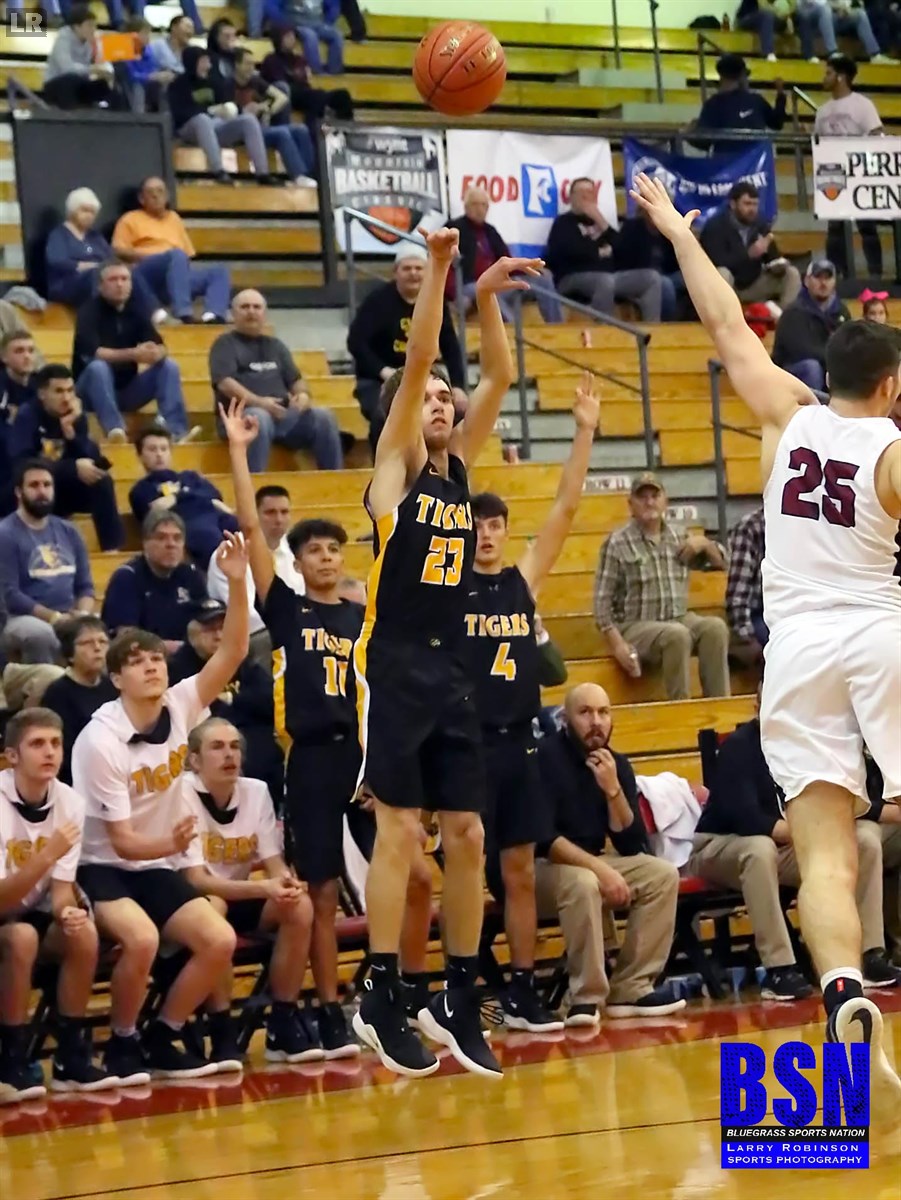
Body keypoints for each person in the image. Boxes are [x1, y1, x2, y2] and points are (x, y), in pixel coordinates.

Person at [630, 169, 901, 1114]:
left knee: (825, 851)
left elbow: (720, 322)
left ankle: (841, 988)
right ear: (892, 386)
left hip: (795, 650)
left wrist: (677, 230)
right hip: (875, 630)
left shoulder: (788, 415)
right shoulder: (892, 451)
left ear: (827, 374)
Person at [350, 228, 540, 1079]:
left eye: (441, 398)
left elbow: (495, 375)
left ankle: (458, 994)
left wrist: (488, 298)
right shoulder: (393, 469)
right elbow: (423, 350)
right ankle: (380, 990)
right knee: (400, 830)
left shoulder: (458, 470)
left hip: (452, 666)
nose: (438, 401)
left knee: (466, 833)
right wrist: (439, 269)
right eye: (424, 395)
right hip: (391, 663)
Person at [223, 403, 391, 1056]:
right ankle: (325, 1009)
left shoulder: (362, 619)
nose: (325, 556)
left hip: (363, 759)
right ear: (297, 560)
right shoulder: (288, 610)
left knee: (403, 879)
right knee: (320, 892)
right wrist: (240, 452)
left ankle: (393, 998)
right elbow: (249, 528)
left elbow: (381, 699)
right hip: (313, 760)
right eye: (314, 549)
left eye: (333, 549)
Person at [71, 533, 250, 1081]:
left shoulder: (181, 701)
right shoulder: (100, 740)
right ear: (116, 679)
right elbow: (122, 842)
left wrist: (237, 582)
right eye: (137, 663)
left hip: (155, 862)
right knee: (143, 938)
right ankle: (122, 1042)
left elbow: (233, 651)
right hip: (101, 866)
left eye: (156, 659)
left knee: (219, 940)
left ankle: (163, 1033)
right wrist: (172, 845)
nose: (152, 667)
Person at [467, 375, 599, 1033]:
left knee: (520, 870)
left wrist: (583, 432)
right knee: (467, 871)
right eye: (477, 526)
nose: (487, 535)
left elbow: (566, 509)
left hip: (518, 742)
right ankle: (457, 989)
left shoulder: (521, 583)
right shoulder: (444, 591)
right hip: (466, 746)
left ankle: (521, 989)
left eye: (495, 526)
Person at [690, 708, 900, 999]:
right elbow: (749, 820)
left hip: (787, 845)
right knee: (759, 850)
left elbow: (847, 803)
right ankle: (779, 968)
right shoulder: (740, 747)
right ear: (759, 704)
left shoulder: (810, 745)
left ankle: (870, 956)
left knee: (863, 840)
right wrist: (817, 830)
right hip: (721, 845)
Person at [536, 684, 686, 1027]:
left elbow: (632, 844)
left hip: (590, 863)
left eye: (603, 712)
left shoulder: (615, 764)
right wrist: (602, 872)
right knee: (584, 881)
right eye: (585, 713)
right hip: (540, 868)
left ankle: (631, 986)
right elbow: (544, 840)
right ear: (566, 719)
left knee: (662, 875)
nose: (596, 722)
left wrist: (613, 790)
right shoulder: (544, 758)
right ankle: (586, 996)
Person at [177, 717, 319, 1064]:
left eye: (234, 747)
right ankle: (222, 1030)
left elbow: (273, 862)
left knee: (299, 906)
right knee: (214, 908)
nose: (229, 755)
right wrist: (263, 888)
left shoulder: (255, 791)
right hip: (191, 905)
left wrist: (285, 882)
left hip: (239, 897)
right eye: (217, 747)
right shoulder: (180, 793)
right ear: (194, 760)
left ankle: (282, 1024)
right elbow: (196, 880)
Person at [0, 708, 118, 1099]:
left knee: (83, 932)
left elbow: (62, 889)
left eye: (55, 743)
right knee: (20, 938)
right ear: (12, 756)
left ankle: (70, 1056)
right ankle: (12, 1058)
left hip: (33, 911)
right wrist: (47, 854)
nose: (50, 752)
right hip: (4, 912)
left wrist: (66, 912)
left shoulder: (70, 802)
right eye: (37, 744)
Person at [593, 472, 730, 701]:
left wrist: (705, 544)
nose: (649, 502)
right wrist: (618, 646)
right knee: (677, 635)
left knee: (715, 628)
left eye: (655, 496)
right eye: (642, 497)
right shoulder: (616, 543)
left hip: (678, 617)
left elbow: (722, 564)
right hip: (635, 625)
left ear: (665, 501)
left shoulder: (680, 536)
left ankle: (720, 709)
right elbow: (601, 606)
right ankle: (680, 710)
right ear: (630, 504)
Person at [347, 242, 468, 453]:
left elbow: (451, 346)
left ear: (427, 272)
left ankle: (448, 468)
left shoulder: (435, 301)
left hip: (423, 377)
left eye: (419, 268)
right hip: (379, 379)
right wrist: (384, 371)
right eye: (407, 269)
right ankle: (384, 466)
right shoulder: (377, 301)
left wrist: (458, 385)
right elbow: (356, 342)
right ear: (396, 272)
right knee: (383, 414)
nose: (413, 273)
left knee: (456, 411)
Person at [167, 601, 284, 809]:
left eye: (223, 628)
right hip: (203, 742)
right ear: (193, 635)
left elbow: (270, 699)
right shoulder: (179, 668)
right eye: (210, 630)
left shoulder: (242, 662)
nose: (219, 635)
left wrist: (230, 700)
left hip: (252, 740)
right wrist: (242, 705)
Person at [210, 289, 342, 471]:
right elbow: (225, 383)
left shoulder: (276, 346)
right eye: (245, 307)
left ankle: (334, 480)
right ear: (233, 314)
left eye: (257, 307)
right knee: (258, 417)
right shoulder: (224, 344)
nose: (251, 312)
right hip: (240, 418)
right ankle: (253, 483)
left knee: (324, 417)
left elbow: (295, 380)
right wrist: (260, 403)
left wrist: (303, 395)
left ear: (264, 314)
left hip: (281, 415)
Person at [73, 261, 200, 445]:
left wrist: (156, 353)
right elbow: (95, 353)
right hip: (89, 393)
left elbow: (160, 345)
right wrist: (135, 354)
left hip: (126, 391)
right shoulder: (88, 311)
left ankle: (175, 430)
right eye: (113, 279)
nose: (120, 284)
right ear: (100, 286)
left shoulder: (136, 309)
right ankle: (115, 430)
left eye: (124, 279)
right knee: (98, 368)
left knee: (169, 366)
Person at [9, 365, 125, 552]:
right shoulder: (27, 415)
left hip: (65, 489)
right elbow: (22, 465)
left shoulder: (75, 415)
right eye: (59, 391)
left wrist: (72, 433)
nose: (66, 398)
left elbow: (90, 458)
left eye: (70, 391)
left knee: (102, 481)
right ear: (42, 394)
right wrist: (73, 467)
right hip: (34, 490)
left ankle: (112, 551)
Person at [0, 461, 95, 665]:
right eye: (34, 485)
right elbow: (10, 595)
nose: (42, 491)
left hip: (69, 615)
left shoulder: (70, 531)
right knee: (41, 635)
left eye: (47, 485)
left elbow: (85, 586)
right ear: (19, 492)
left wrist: (83, 614)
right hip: (20, 618)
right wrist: (55, 618)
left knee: (99, 633)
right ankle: (47, 685)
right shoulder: (5, 534)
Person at [206, 483, 305, 668]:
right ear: (254, 515)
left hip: (293, 633)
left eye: (284, 512)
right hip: (247, 638)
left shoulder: (296, 553)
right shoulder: (228, 554)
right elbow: (242, 613)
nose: (278, 519)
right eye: (270, 512)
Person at [112, 177, 231, 325]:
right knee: (175, 255)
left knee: (219, 272)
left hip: (175, 278)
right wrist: (152, 256)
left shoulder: (174, 218)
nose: (156, 195)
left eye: (160, 191)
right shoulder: (130, 219)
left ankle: (213, 316)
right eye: (150, 192)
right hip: (147, 276)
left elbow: (187, 256)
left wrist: (178, 271)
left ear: (167, 196)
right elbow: (118, 251)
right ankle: (183, 312)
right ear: (141, 199)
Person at [546, 178, 662, 322]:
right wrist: (599, 252)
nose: (586, 196)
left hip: (609, 277)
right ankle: (604, 330)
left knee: (652, 278)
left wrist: (601, 222)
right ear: (571, 197)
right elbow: (567, 253)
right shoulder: (563, 223)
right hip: (572, 277)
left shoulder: (601, 223)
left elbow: (622, 251)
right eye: (581, 192)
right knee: (605, 281)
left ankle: (653, 330)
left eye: (590, 192)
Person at [448, 187, 562, 325]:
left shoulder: (490, 231)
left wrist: (529, 269)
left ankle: (557, 326)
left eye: (484, 205)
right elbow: (445, 266)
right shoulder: (454, 229)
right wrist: (453, 294)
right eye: (475, 204)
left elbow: (507, 260)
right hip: (470, 286)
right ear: (466, 207)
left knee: (542, 280)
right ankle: (512, 331)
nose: (480, 209)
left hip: (498, 282)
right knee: (489, 292)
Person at [814, 55, 884, 277]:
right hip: (833, 173)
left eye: (829, 73)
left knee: (867, 226)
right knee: (835, 228)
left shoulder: (862, 104)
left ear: (841, 77)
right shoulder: (822, 111)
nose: (825, 77)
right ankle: (838, 274)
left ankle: (876, 274)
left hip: (859, 172)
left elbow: (876, 134)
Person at [129, 426, 239, 564]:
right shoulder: (141, 489)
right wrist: (194, 495)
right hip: (190, 530)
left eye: (164, 449)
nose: (159, 454)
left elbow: (215, 495)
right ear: (140, 455)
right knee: (205, 535)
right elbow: (154, 511)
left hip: (219, 520)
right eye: (152, 449)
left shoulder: (190, 476)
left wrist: (175, 497)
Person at [44, 189, 161, 318]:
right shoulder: (59, 235)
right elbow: (56, 261)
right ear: (72, 211)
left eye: (92, 212)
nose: (89, 215)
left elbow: (111, 258)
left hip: (100, 275)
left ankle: (155, 312)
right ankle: (100, 317)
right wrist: (85, 265)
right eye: (84, 210)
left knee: (126, 272)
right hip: (67, 283)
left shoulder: (95, 237)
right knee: (98, 273)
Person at [101, 510, 208, 650]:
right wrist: (180, 649)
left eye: (177, 538)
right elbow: (126, 639)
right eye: (161, 538)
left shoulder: (191, 574)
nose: (171, 544)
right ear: (145, 543)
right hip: (142, 658)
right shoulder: (127, 577)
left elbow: (207, 624)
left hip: (187, 655)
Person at [167, 47, 273, 187]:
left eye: (209, 62)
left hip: (216, 126)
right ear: (193, 63)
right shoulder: (178, 84)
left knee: (248, 120)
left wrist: (234, 109)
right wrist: (211, 110)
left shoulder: (214, 82)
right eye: (204, 62)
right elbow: (180, 114)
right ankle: (218, 171)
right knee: (203, 119)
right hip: (190, 128)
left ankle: (263, 173)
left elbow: (227, 103)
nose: (209, 66)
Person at [700, 183, 801, 314]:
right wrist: (748, 255)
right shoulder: (715, 227)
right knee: (722, 273)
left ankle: (783, 317)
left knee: (791, 273)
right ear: (733, 204)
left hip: (753, 283)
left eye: (755, 204)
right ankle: (725, 318)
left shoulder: (759, 223)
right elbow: (715, 263)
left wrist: (777, 264)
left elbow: (771, 258)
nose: (752, 209)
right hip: (728, 286)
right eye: (747, 204)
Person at [41, 616, 116, 785]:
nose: (97, 648)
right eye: (87, 643)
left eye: (103, 641)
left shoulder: (113, 685)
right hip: (77, 779)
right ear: (70, 655)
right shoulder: (58, 693)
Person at [229, 48, 318, 188]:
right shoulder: (227, 84)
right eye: (247, 64)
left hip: (261, 128)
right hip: (243, 133)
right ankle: (298, 176)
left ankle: (312, 175)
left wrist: (267, 109)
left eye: (252, 64)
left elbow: (282, 98)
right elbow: (227, 113)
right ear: (236, 65)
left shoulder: (255, 81)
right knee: (281, 133)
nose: (251, 68)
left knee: (301, 129)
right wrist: (246, 111)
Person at [772, 260, 851, 391]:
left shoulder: (842, 312)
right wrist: (834, 358)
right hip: (790, 374)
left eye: (828, 278)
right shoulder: (794, 312)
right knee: (811, 367)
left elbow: (848, 345)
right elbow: (801, 351)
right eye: (818, 277)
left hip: (827, 368)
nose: (823, 283)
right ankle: (814, 405)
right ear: (807, 281)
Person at [259, 25, 354, 123]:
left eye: (293, 36)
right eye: (288, 36)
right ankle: (312, 127)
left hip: (306, 93)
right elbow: (280, 85)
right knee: (316, 96)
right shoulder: (271, 60)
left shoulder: (299, 59)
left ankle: (347, 128)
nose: (292, 39)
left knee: (343, 95)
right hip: (287, 97)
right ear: (278, 39)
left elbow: (305, 81)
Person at [693, 55, 786, 150]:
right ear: (742, 76)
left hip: (726, 158)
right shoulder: (755, 100)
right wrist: (780, 94)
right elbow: (777, 123)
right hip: (756, 159)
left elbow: (703, 143)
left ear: (721, 77)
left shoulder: (713, 104)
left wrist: (690, 131)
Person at [42, 7, 119, 110]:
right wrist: (92, 69)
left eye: (94, 25)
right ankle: (70, 115)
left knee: (104, 84)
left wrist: (105, 71)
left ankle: (108, 114)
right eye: (89, 25)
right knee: (70, 80)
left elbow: (101, 62)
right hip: (56, 83)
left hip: (81, 81)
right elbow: (67, 68)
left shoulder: (91, 40)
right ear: (76, 27)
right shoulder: (63, 39)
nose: (93, 29)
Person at [725, 505, 767, 666]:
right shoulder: (750, 527)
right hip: (760, 613)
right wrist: (747, 637)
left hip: (799, 613)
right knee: (785, 646)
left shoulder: (807, 526)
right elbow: (737, 594)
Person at [796, 0, 893, 62]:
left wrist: (845, 8)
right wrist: (836, 6)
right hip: (815, 20)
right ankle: (832, 52)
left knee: (859, 14)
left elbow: (846, 3)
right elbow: (816, 4)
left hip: (834, 18)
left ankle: (875, 55)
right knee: (825, 10)